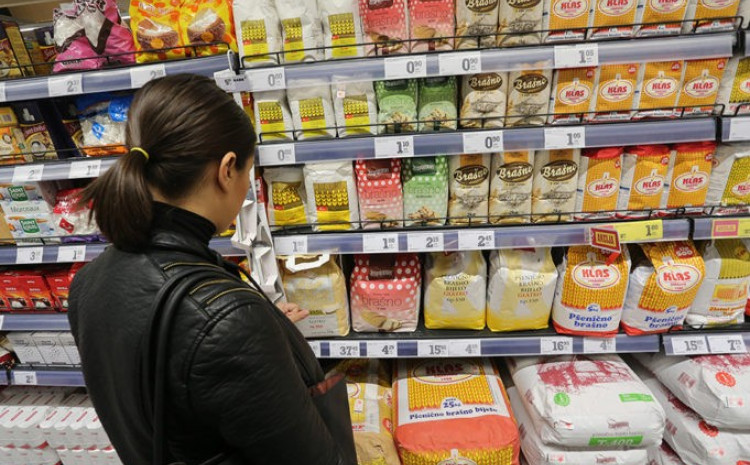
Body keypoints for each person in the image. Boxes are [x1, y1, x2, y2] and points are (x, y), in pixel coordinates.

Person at [68, 74, 354, 465]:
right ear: (227, 169)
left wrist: (263, 335)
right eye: (248, 173)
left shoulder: (89, 281)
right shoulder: (225, 319)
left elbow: (175, 380)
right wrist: (247, 332)